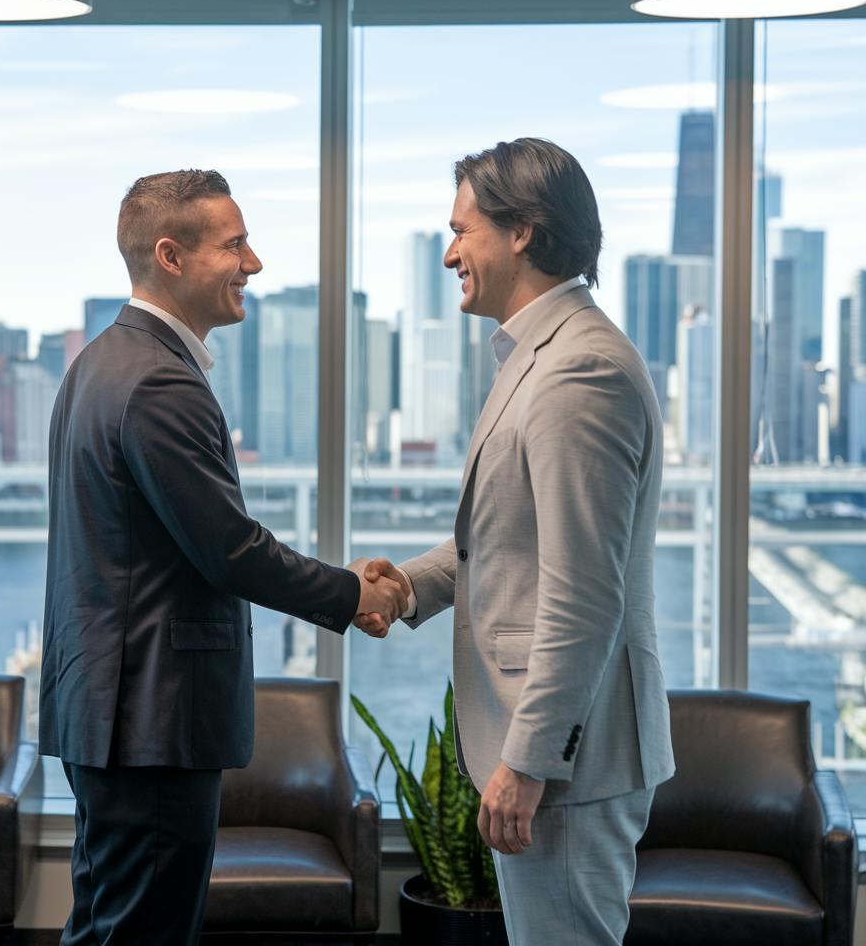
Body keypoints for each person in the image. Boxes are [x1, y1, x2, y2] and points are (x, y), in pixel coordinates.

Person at [38, 169, 406, 946]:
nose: (255, 263)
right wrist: (351, 594)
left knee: (106, 926)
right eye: (235, 244)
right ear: (171, 256)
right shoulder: (158, 381)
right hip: (150, 721)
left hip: (110, 713)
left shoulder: (98, 365)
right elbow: (231, 550)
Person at [364, 138, 674, 945]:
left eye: (463, 229)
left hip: (570, 767)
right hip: (563, 760)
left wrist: (530, 762)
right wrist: (409, 586)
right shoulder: (537, 356)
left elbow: (583, 593)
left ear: (523, 231)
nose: (448, 252)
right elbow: (505, 544)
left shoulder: (580, 373)